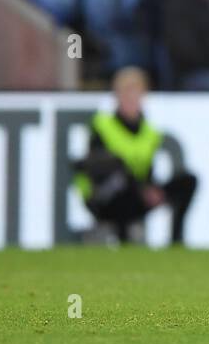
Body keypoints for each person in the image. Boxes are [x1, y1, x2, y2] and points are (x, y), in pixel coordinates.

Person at [73, 67, 197, 244]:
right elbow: (96, 167)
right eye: (127, 94)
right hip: (105, 197)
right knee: (118, 173)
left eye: (136, 94)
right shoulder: (102, 125)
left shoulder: (149, 133)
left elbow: (147, 170)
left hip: (137, 195)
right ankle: (121, 235)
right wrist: (139, 187)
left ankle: (176, 240)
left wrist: (151, 188)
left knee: (188, 181)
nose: (132, 100)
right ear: (117, 96)